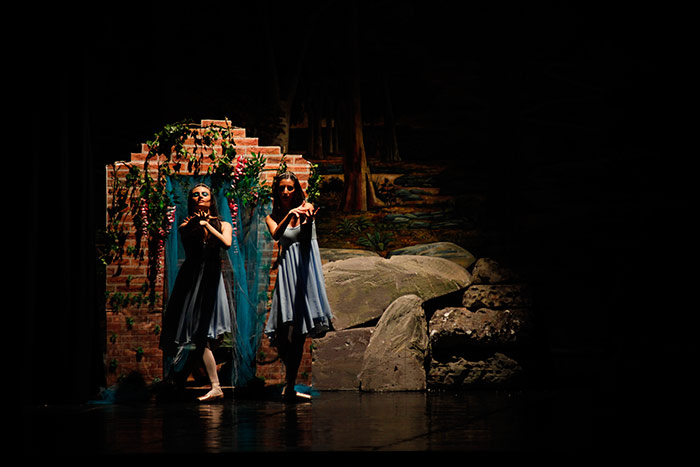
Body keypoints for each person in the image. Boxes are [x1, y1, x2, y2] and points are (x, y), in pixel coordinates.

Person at [159, 183, 234, 402]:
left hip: (212, 279)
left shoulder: (224, 224)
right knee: (197, 334)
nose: (200, 197)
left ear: (211, 199)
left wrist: (208, 225)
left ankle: (190, 379)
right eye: (195, 195)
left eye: (204, 194)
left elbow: (226, 243)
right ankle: (212, 385)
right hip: (192, 280)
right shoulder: (186, 224)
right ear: (191, 200)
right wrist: (197, 224)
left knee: (210, 336)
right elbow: (188, 236)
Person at [264, 171, 334, 401]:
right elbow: (277, 235)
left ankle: (290, 385)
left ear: (296, 190)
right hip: (286, 275)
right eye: (281, 188)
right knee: (282, 334)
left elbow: (305, 238)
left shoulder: (307, 208)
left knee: (298, 333)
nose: (285, 191)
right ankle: (290, 382)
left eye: (290, 188)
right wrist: (289, 215)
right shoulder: (271, 217)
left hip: (305, 272)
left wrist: (308, 219)